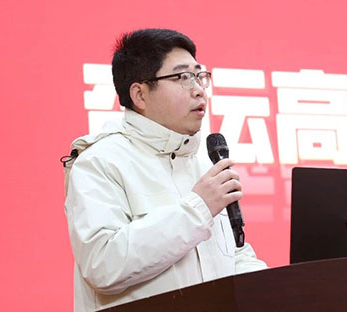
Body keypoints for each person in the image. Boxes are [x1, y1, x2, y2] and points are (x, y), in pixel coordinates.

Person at [64, 29, 267, 311]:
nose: (199, 89)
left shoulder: (203, 163)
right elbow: (102, 265)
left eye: (199, 75)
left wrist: (278, 289)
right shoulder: (100, 162)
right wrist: (197, 209)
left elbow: (235, 255)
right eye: (182, 77)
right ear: (140, 94)